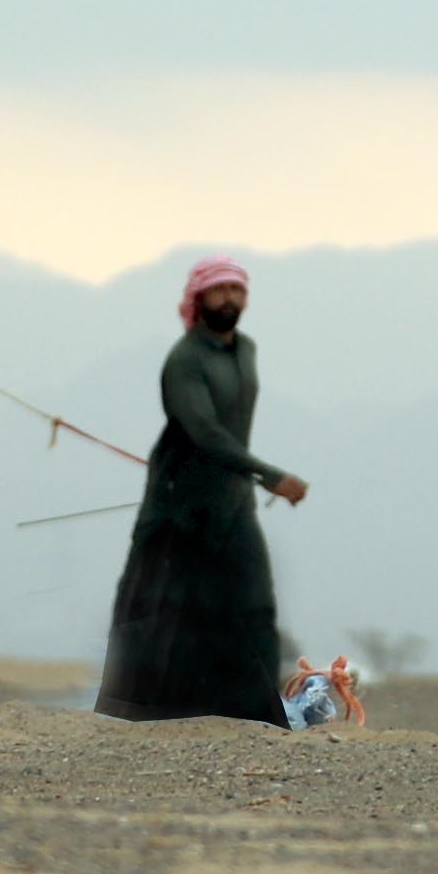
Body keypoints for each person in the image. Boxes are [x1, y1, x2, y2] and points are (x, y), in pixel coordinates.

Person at [96, 254, 308, 724]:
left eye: (237, 290)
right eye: (220, 290)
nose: (229, 299)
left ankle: (259, 715)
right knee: (159, 609)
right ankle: (137, 712)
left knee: (253, 604)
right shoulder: (184, 359)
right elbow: (204, 432)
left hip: (233, 503)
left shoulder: (246, 350)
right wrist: (270, 474)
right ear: (199, 298)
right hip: (179, 507)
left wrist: (251, 477)